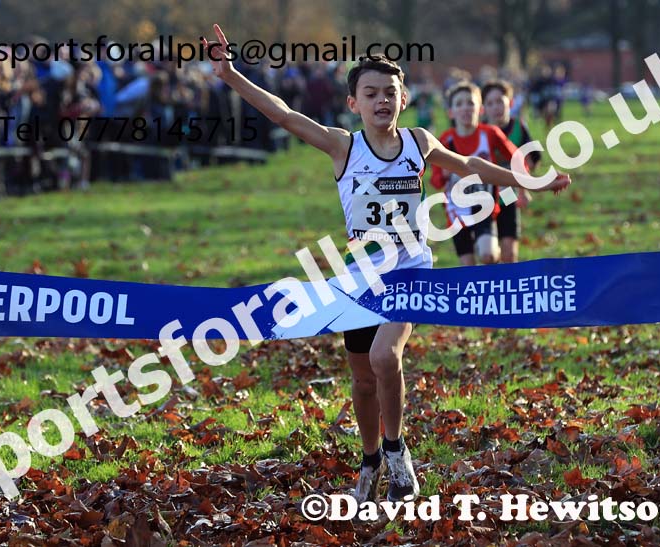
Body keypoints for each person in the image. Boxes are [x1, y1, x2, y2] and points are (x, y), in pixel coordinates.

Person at [203, 24, 571, 504]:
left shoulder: (419, 142)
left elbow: (474, 168)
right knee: (360, 380)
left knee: (384, 357)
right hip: (358, 275)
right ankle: (371, 456)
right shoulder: (343, 146)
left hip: (411, 267)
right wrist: (230, 75)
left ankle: (397, 450)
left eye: (389, 93)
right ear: (354, 103)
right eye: (370, 93)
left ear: (403, 101)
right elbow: (285, 114)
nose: (381, 101)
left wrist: (532, 182)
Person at [430, 81, 525, 266]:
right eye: (459, 104)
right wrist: (444, 175)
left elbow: (517, 157)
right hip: (457, 208)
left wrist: (523, 187)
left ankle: (496, 274)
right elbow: (435, 180)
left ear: (480, 109)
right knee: (468, 265)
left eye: (470, 103)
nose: (465, 108)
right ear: (451, 112)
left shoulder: (490, 134)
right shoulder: (444, 140)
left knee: (488, 256)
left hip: (486, 205)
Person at [482, 79, 542, 263]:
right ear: (483, 108)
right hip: (484, 197)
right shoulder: (480, 132)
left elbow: (531, 161)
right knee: (488, 255)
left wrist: (524, 188)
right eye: (490, 103)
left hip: (509, 194)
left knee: (509, 253)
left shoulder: (519, 127)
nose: (496, 107)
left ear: (511, 102)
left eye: (500, 101)